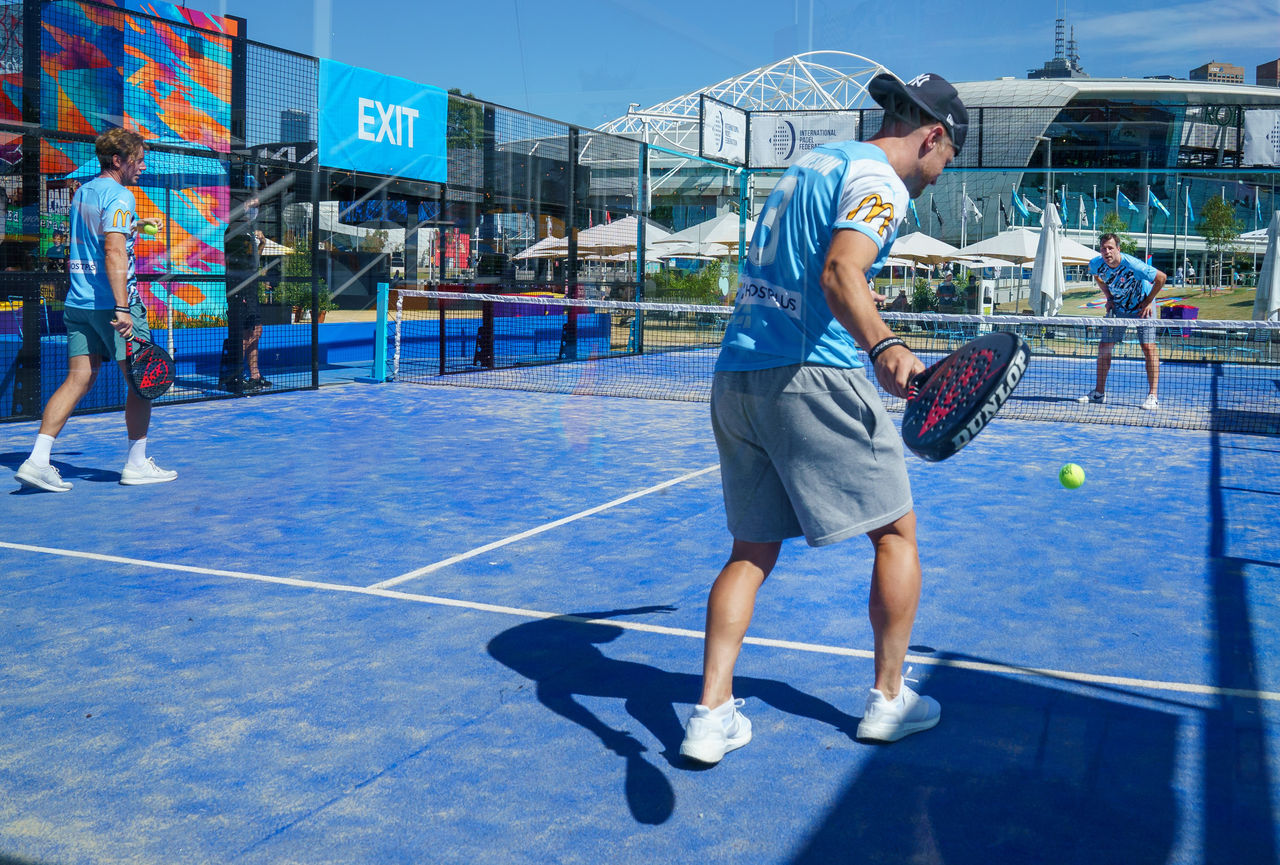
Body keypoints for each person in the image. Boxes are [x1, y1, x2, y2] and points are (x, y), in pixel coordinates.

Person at [678, 72, 966, 764]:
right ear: (933, 135)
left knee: (750, 549)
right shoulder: (880, 182)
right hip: (813, 375)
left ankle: (710, 713)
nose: (939, 175)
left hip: (737, 376)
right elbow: (842, 272)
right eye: (947, 160)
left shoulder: (816, 161)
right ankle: (888, 699)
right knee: (897, 532)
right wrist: (886, 345)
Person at [14, 128, 176, 492]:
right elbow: (113, 251)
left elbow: (96, 235)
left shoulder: (84, 192)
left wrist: (137, 226)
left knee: (78, 379)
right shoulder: (121, 195)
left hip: (78, 303)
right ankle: (136, 465)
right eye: (138, 159)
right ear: (118, 161)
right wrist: (122, 308)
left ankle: (37, 460)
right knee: (140, 380)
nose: (143, 166)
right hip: (113, 305)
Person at [1077, 233, 1166, 410]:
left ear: (1118, 249)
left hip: (1143, 307)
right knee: (1104, 347)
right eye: (1103, 248)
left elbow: (1161, 278)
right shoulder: (1096, 264)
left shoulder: (1134, 265)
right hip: (1118, 308)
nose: (1107, 251)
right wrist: (1109, 297)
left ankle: (1153, 396)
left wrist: (1148, 301)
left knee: (1148, 347)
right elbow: (1097, 277)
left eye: (1110, 248)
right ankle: (1099, 393)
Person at [222, 174, 270, 393]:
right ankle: (236, 376)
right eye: (253, 202)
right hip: (238, 287)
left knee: (256, 330)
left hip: (250, 286)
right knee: (244, 334)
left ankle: (255, 375)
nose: (256, 205)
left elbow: (254, 263)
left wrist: (260, 244)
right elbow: (238, 264)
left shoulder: (249, 230)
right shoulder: (234, 231)